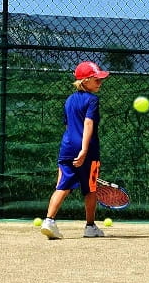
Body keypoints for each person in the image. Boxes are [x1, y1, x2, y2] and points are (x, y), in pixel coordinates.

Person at [40, 61, 110, 239]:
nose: (100, 82)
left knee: (62, 186)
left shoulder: (69, 100)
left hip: (67, 148)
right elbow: (88, 123)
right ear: (85, 81)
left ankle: (49, 221)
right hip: (88, 150)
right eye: (96, 79)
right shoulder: (93, 100)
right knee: (90, 189)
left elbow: (68, 125)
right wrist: (84, 150)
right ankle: (90, 227)